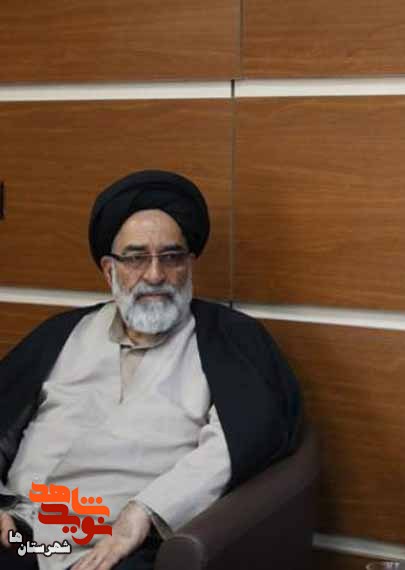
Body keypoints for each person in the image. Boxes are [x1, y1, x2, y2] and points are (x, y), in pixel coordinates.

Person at [0, 170, 302, 570]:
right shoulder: (62, 334)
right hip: (18, 534)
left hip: (109, 545)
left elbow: (237, 445)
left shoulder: (228, 341)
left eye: (172, 257)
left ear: (190, 264)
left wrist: (144, 512)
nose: (155, 275)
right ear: (109, 269)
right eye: (136, 258)